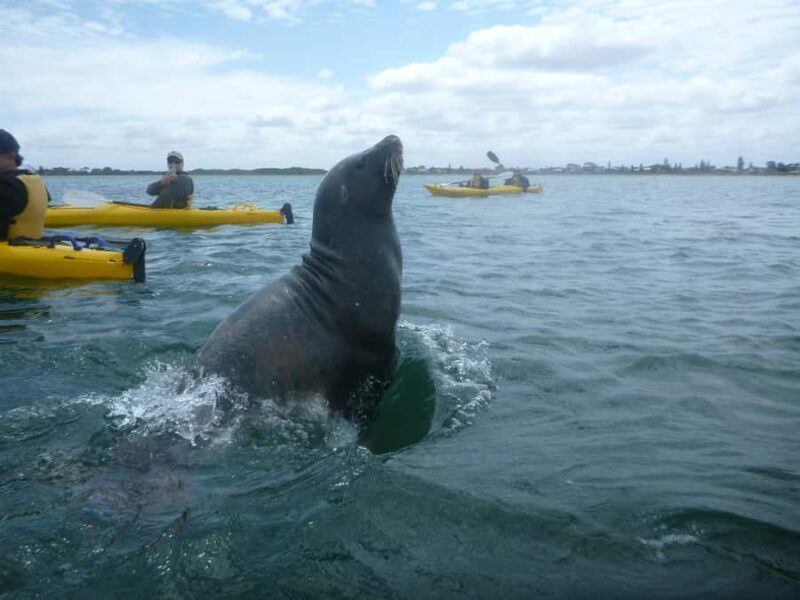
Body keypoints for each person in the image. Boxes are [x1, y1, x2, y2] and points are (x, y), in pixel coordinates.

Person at [0, 129, 50, 242]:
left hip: (9, 255)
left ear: (9, 155)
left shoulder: (5, 186)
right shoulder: (30, 179)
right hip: (29, 249)